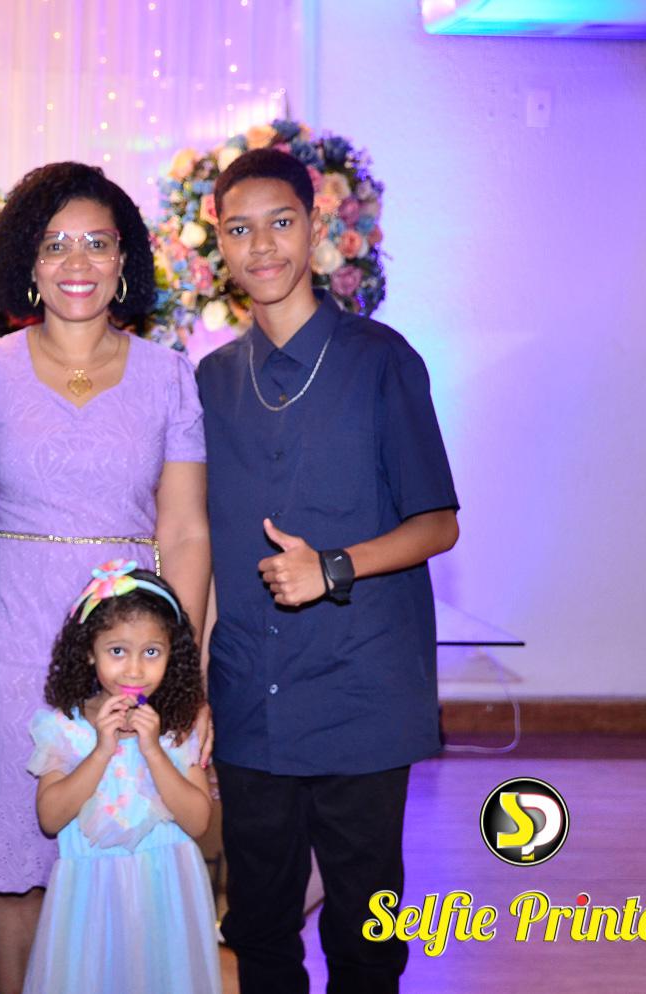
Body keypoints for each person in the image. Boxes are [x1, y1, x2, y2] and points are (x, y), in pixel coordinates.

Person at [195, 147, 460, 993]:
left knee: (365, 936)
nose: (262, 246)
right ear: (219, 246)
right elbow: (197, 540)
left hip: (361, 694)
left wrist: (333, 567)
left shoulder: (380, 360)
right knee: (258, 930)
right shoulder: (210, 382)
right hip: (252, 697)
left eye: (280, 223)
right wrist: (193, 683)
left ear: (314, 230)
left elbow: (438, 523)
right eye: (240, 230)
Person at [0, 160, 210, 993]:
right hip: (12, 640)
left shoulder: (168, 374)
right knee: (16, 852)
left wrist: (187, 675)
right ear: (28, 262)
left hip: (133, 649)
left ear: (125, 259)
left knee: (125, 847)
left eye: (97, 242)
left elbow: (185, 530)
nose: (77, 262)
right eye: (55, 245)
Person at [22, 560, 220, 994]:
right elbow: (50, 819)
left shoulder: (178, 728)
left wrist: (153, 750)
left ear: (171, 655)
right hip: (89, 904)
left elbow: (198, 821)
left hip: (167, 897)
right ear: (89, 651)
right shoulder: (64, 727)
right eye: (117, 651)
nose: (134, 670)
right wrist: (101, 750)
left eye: (151, 652)